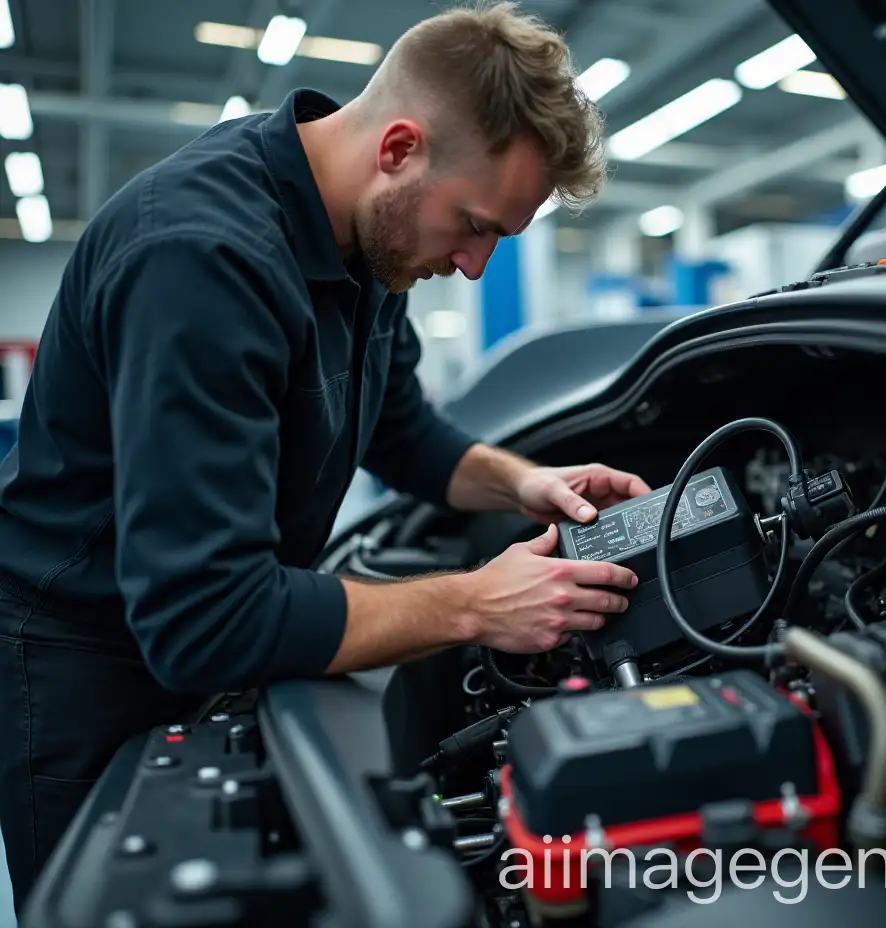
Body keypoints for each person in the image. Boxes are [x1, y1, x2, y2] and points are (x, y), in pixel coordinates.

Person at [0, 0, 652, 912]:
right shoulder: (202, 258)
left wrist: (525, 481)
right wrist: (475, 604)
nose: (472, 267)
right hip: (87, 663)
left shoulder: (369, 242)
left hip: (222, 621)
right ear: (398, 148)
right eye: (474, 226)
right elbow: (204, 618)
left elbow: (405, 435)